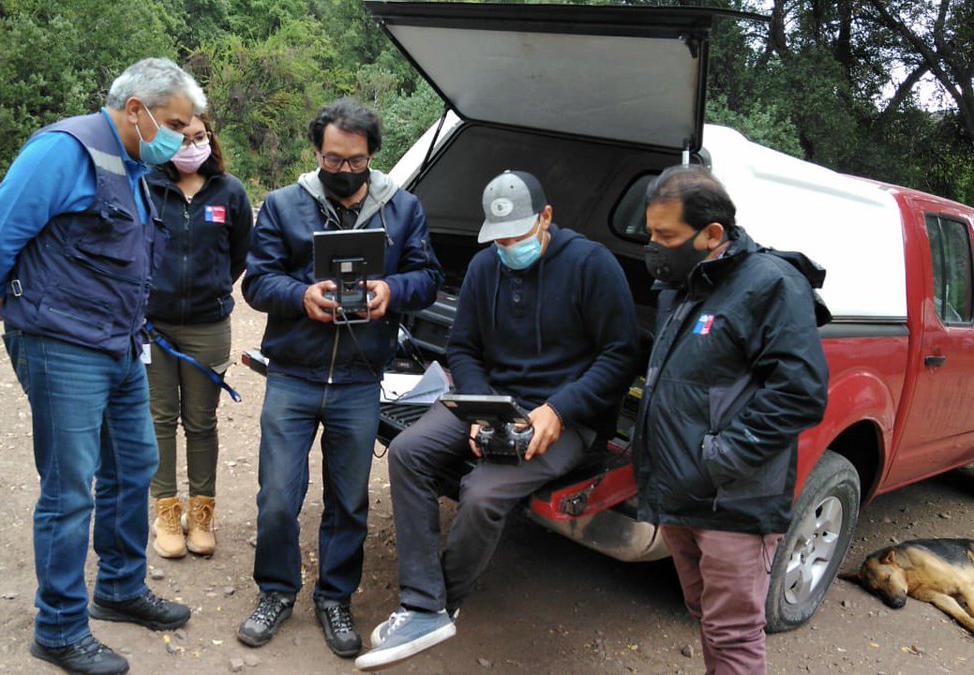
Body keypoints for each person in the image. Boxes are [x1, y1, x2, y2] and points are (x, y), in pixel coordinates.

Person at [0, 57, 205, 675]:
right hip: (60, 345)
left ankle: (120, 589)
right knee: (71, 490)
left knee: (135, 465)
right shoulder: (63, 150)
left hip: (120, 344)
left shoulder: (130, 165)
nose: (183, 137)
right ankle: (59, 629)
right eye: (176, 123)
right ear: (137, 110)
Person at [354, 170, 639, 670]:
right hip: (494, 399)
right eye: (499, 237)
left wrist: (560, 409)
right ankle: (426, 600)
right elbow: (463, 348)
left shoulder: (592, 265)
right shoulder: (488, 266)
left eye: (518, 235)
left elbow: (619, 357)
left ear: (546, 218)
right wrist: (478, 407)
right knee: (408, 453)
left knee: (483, 493)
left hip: (566, 414)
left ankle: (439, 601)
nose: (508, 246)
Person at [237, 100, 444, 658]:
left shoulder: (402, 209)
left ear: (372, 156)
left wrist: (391, 292)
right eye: (334, 159)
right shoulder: (283, 206)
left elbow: (428, 277)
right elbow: (256, 283)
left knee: (349, 501)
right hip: (294, 374)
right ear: (317, 153)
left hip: (358, 378)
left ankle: (335, 598)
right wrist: (301, 296)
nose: (345, 171)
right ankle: (276, 592)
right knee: (278, 497)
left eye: (356, 161)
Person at [633, 165, 828, 674]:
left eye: (667, 236)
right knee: (705, 616)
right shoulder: (682, 284)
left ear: (712, 234)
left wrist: (718, 459)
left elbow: (801, 393)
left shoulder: (771, 285)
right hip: (681, 494)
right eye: (650, 233)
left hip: (733, 501)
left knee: (734, 632)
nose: (654, 246)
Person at [146, 113, 252, 559]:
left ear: (211, 138)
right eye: (182, 137)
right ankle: (167, 512)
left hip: (208, 327)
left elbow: (241, 253)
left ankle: (202, 512)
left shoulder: (230, 192)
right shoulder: (146, 186)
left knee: (202, 421)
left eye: (200, 136)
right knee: (159, 419)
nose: (192, 145)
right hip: (151, 325)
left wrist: (210, 288)